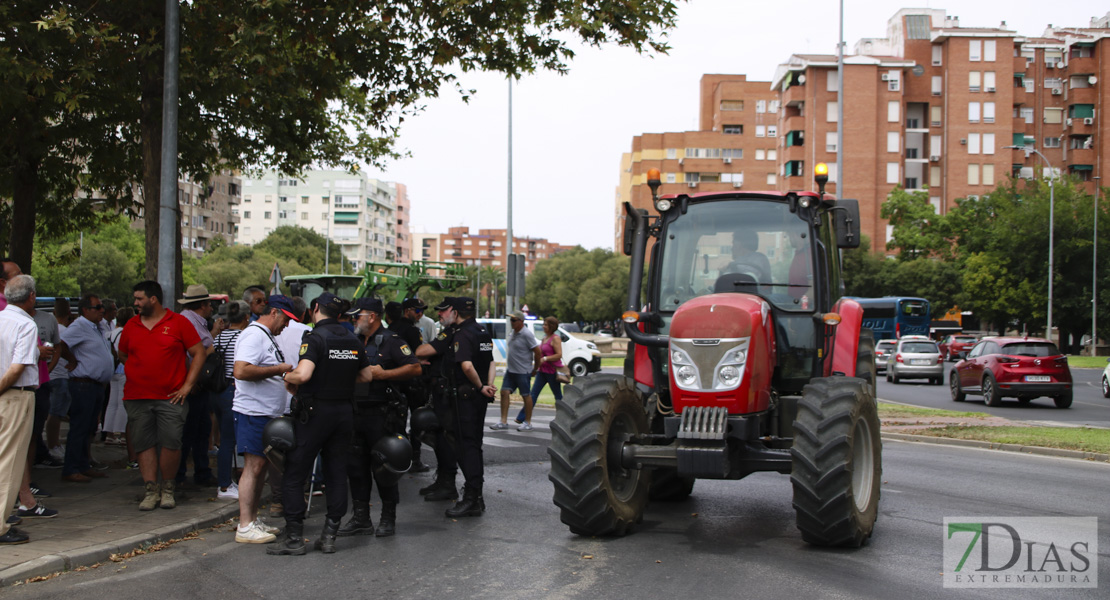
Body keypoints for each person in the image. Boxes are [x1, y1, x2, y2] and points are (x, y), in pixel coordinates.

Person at [269, 293, 374, 556]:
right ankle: (329, 536)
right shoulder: (353, 339)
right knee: (337, 474)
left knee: (294, 473)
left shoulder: (315, 338)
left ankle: (294, 539)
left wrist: (287, 376)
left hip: (315, 413)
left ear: (315, 308)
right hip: (343, 413)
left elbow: (303, 374)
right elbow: (367, 375)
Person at [118, 280, 206, 511]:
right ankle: (150, 490)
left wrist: (187, 385)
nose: (135, 303)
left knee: (171, 442)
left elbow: (199, 353)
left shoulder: (178, 323)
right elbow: (123, 353)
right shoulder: (131, 325)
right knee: (143, 444)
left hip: (171, 397)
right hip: (137, 396)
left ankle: (168, 489)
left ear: (153, 299)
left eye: (139, 299)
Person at [337, 297, 421, 539]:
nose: (353, 319)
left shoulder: (392, 341)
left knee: (384, 468)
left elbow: (415, 368)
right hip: (355, 413)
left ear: (372, 316)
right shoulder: (353, 341)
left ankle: (388, 517)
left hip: (382, 416)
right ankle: (361, 518)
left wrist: (384, 374)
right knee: (356, 468)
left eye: (357, 315)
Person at [232, 296, 297, 544]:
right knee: (254, 467)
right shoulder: (254, 335)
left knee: (260, 468)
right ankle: (245, 524)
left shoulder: (264, 335)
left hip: (263, 412)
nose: (287, 326)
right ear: (274, 312)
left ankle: (251, 520)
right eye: (286, 319)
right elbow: (241, 370)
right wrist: (278, 369)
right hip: (253, 412)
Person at [443, 297, 495, 518]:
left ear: (456, 313)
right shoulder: (483, 331)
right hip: (480, 397)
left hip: (466, 396)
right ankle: (477, 497)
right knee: (475, 444)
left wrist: (480, 385)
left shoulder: (462, 334)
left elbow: (466, 365)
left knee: (467, 446)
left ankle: (472, 498)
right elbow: (492, 362)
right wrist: (489, 386)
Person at [0, 275, 41, 544]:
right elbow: (17, 368)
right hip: (15, 396)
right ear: (31, 296)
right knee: (9, 463)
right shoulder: (26, 324)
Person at [57, 294, 115, 483]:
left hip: (96, 385)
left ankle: (83, 464)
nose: (101, 311)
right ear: (85, 310)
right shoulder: (79, 326)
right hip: (83, 384)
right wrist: (72, 359)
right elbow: (62, 344)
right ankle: (71, 467)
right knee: (80, 427)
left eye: (102, 308)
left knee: (89, 427)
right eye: (97, 307)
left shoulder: (98, 326)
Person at [414, 298, 461, 502]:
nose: (439, 314)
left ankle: (448, 484)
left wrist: (425, 352)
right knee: (439, 437)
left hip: (448, 394)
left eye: (443, 311)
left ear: (454, 312)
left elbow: (422, 351)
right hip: (440, 391)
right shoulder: (449, 332)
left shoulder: (451, 332)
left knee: (445, 439)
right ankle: (442, 480)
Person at [175, 284, 219, 487]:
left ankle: (200, 471)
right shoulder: (188, 322)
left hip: (199, 384)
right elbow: (189, 354)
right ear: (203, 304)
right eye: (209, 304)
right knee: (190, 430)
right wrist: (191, 381)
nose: (211, 308)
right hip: (192, 384)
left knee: (201, 428)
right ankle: (180, 474)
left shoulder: (196, 321)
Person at [213, 301, 249, 499]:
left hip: (218, 391)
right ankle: (225, 485)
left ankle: (227, 481)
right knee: (228, 441)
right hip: (232, 392)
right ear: (245, 317)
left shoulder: (219, 337)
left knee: (223, 439)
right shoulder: (243, 338)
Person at [394, 297, 429, 472]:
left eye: (422, 310)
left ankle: (397, 456)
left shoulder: (392, 328)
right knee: (417, 420)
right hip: (412, 380)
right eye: (417, 310)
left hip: (394, 379)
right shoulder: (412, 331)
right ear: (407, 310)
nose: (420, 314)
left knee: (396, 421)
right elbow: (419, 353)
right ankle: (414, 458)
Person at [491, 312, 541, 431]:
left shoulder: (526, 334)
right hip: (511, 370)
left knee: (526, 395)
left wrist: (535, 368)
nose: (511, 322)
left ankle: (527, 422)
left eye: (514, 320)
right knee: (504, 392)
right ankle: (503, 421)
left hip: (523, 371)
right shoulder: (513, 332)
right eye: (511, 320)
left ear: (521, 321)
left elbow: (537, 352)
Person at [44, 298, 72, 459]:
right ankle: (53, 445)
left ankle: (53, 444)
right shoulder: (64, 331)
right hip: (59, 374)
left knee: (54, 412)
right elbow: (61, 348)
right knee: (56, 413)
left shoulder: (52, 328)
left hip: (53, 374)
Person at [104, 308, 134, 446]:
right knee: (122, 403)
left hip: (112, 369)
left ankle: (109, 433)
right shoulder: (126, 333)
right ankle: (122, 434)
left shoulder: (110, 333)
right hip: (123, 368)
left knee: (112, 402)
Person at [530, 316, 565, 406]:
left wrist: (546, 358)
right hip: (542, 371)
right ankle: (522, 417)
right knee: (533, 394)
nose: (543, 326)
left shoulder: (555, 338)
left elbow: (559, 355)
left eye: (545, 325)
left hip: (552, 372)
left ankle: (563, 415)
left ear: (551, 326)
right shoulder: (544, 338)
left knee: (558, 396)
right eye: (543, 324)